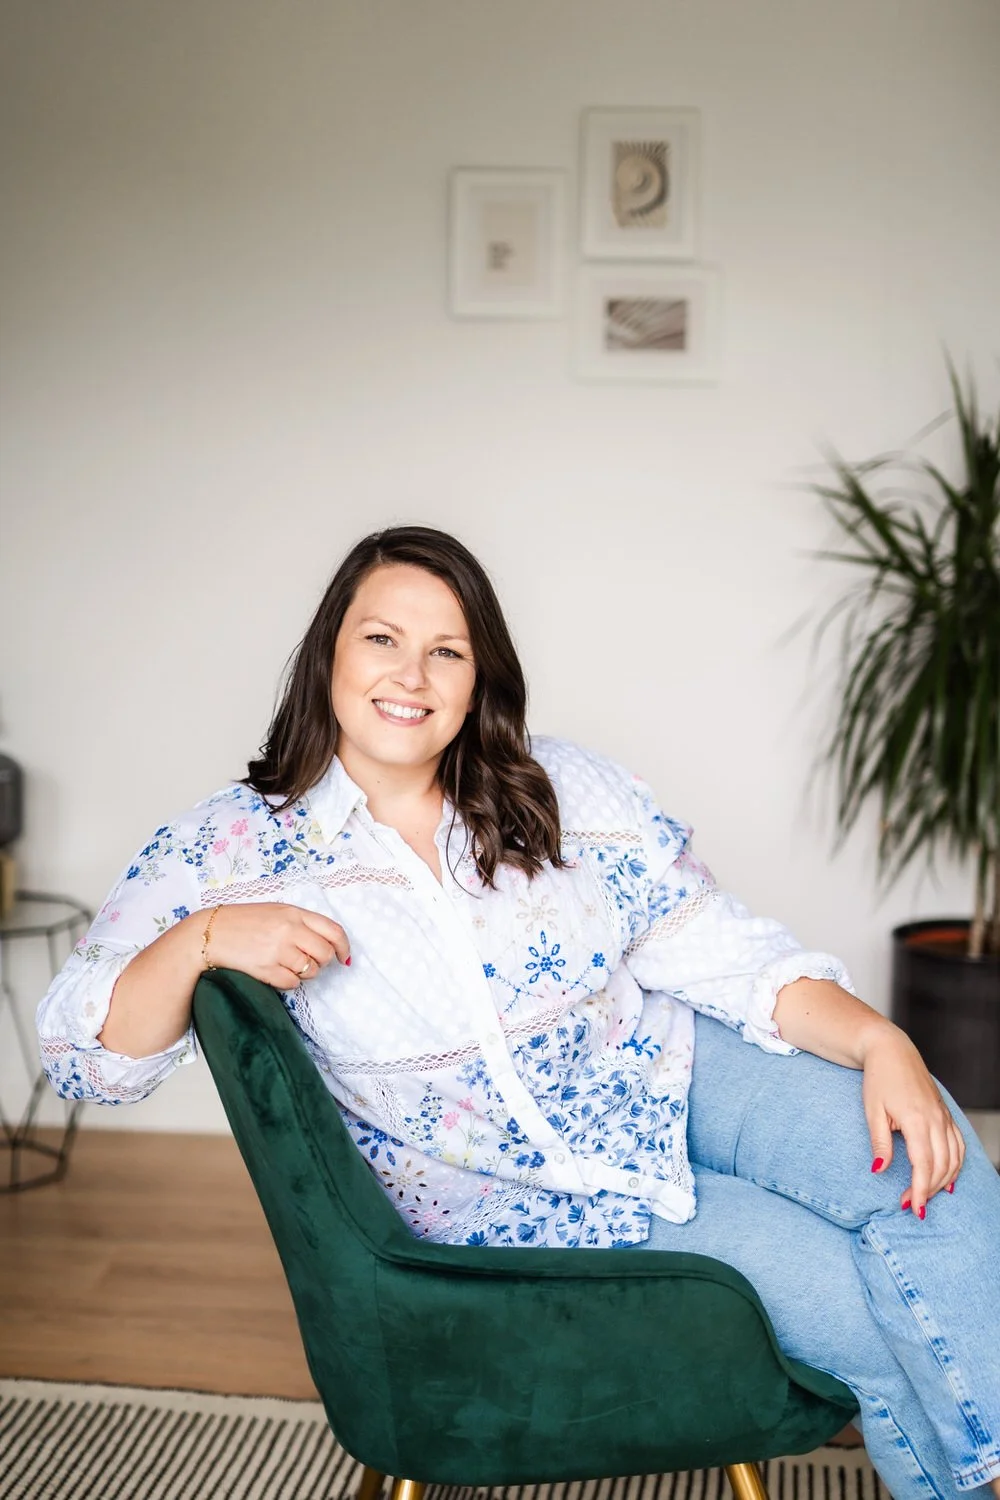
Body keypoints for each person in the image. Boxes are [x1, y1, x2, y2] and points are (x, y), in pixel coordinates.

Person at [37, 525, 1000, 1498]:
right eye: (381, 638)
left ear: (476, 675)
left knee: (935, 1162)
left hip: (671, 1071)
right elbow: (84, 1055)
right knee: (869, 1309)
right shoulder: (227, 848)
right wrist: (194, 941)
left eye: (445, 650)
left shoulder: (559, 784)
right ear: (328, 651)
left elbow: (715, 942)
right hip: (519, 1197)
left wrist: (882, 1040)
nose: (410, 673)